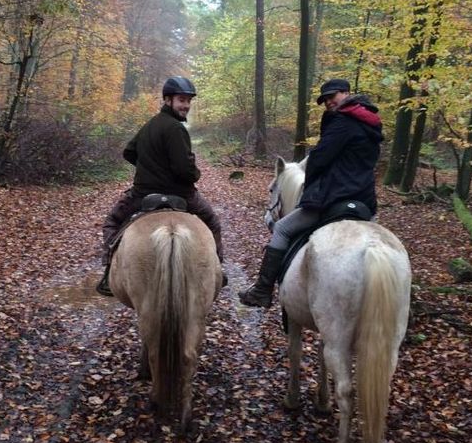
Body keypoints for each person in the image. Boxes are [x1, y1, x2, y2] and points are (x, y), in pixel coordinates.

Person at [238, 78, 383, 308]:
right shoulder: (372, 124)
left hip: (335, 197)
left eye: (332, 96)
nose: (328, 102)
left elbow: (319, 159)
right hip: (364, 200)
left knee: (283, 229)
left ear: (347, 93)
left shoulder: (342, 122)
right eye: (325, 99)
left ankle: (262, 290)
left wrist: (312, 187)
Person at [96, 76, 224, 296]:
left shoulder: (150, 125)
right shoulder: (176, 129)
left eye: (188, 101)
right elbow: (185, 171)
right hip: (180, 193)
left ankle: (109, 273)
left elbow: (129, 152)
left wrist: (149, 168)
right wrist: (195, 173)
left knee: (113, 222)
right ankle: (218, 270)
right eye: (181, 100)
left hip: (142, 194)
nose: (186, 105)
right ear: (167, 100)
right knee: (213, 222)